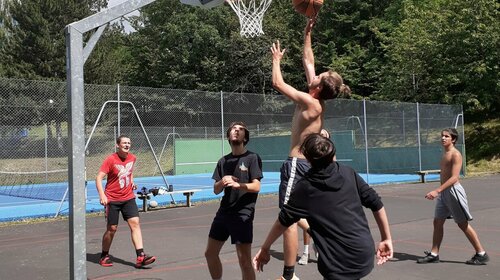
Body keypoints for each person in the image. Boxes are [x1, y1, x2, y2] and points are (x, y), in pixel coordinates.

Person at [271, 15, 351, 279]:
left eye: (321, 76)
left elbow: (278, 84)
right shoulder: (315, 97)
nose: (317, 74)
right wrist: (307, 34)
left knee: (289, 218)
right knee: (299, 215)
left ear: (318, 87)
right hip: (307, 164)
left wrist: (276, 61)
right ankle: (321, 239)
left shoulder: (310, 102)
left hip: (297, 163)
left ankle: (289, 274)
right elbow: (308, 61)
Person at [253, 133, 393, 279]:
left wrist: (265, 248)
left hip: (336, 263)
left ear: (306, 157)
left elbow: (283, 221)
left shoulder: (305, 187)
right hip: (363, 255)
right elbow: (376, 204)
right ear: (332, 152)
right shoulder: (348, 173)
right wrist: (386, 238)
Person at [417, 128, 489, 265]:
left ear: (453, 139)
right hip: (444, 193)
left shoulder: (456, 155)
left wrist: (437, 191)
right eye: (442, 136)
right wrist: (440, 191)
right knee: (437, 221)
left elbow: (455, 178)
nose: (443, 138)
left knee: (462, 224)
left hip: (453, 192)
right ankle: (434, 254)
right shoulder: (445, 153)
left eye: (446, 136)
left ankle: (481, 253)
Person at [205, 122, 263, 280]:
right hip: (224, 212)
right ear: (228, 136)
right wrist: (222, 181)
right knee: (210, 254)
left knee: (244, 261)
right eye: (233, 129)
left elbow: (257, 186)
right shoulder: (223, 161)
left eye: (241, 129)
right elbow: (216, 190)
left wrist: (239, 185)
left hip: (242, 213)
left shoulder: (252, 158)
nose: (236, 131)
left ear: (246, 137)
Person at [95, 135, 156, 268]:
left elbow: (129, 171)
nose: (127, 145)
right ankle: (104, 255)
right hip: (112, 199)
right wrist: (102, 195)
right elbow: (98, 178)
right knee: (112, 229)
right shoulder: (110, 160)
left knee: (135, 223)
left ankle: (141, 256)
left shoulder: (132, 158)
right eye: (124, 143)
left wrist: (132, 182)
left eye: (129, 143)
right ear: (118, 145)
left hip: (128, 197)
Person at [297, 128, 330, 266]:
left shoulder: (330, 155)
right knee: (305, 218)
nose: (321, 136)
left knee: (322, 222)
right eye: (320, 134)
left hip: (324, 192)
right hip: (310, 190)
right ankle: (306, 251)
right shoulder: (309, 155)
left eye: (324, 135)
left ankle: (320, 245)